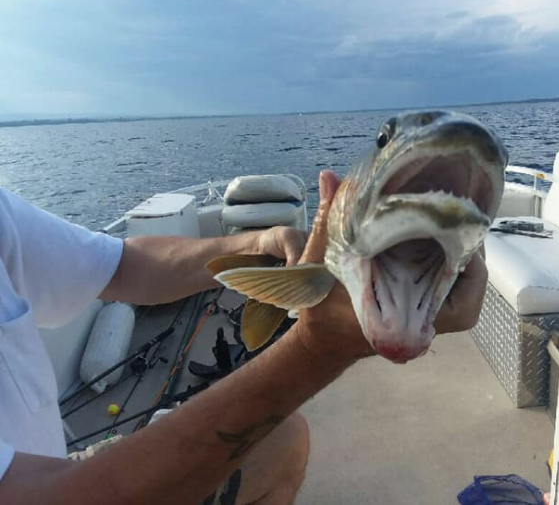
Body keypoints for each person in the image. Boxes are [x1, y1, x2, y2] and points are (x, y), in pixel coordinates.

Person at [0, 170, 488, 504]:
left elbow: (122, 266)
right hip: (51, 489)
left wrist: (255, 244)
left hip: (49, 464)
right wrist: (320, 348)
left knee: (282, 440)